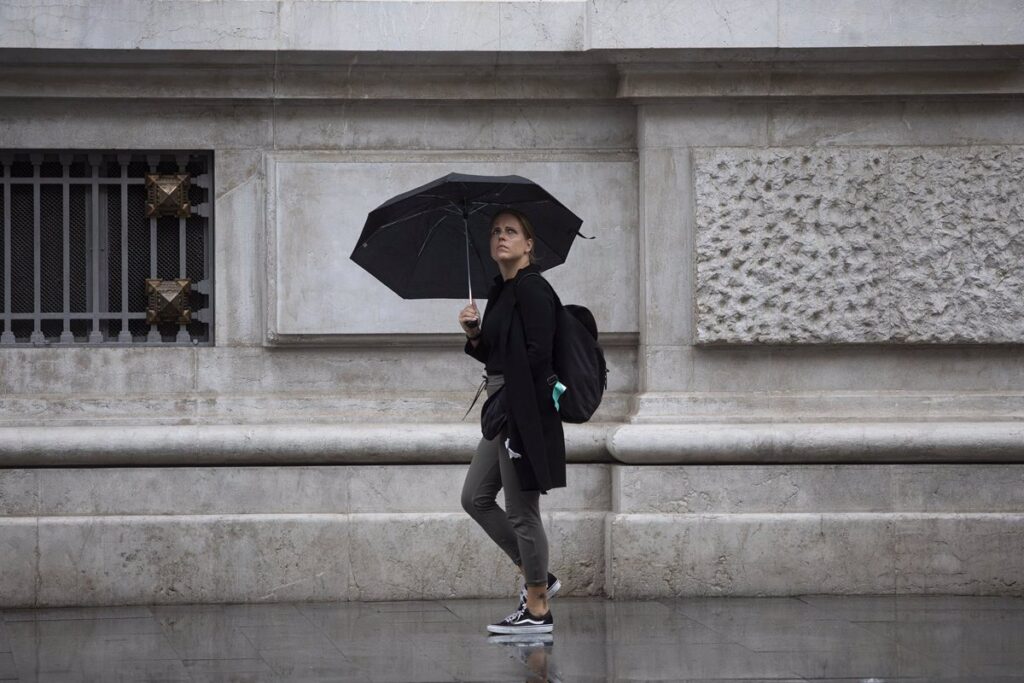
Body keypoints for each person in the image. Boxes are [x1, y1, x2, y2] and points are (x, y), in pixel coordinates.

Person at [458, 208, 567, 635]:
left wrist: (518, 411)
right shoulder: (500, 292)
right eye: (495, 232)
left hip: (522, 408)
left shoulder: (533, 289)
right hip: (501, 405)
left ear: (528, 244)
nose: (501, 237)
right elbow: (499, 355)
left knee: (522, 511)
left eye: (511, 231)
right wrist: (474, 335)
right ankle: (537, 572)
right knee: (475, 498)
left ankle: (538, 606)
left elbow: (541, 355)